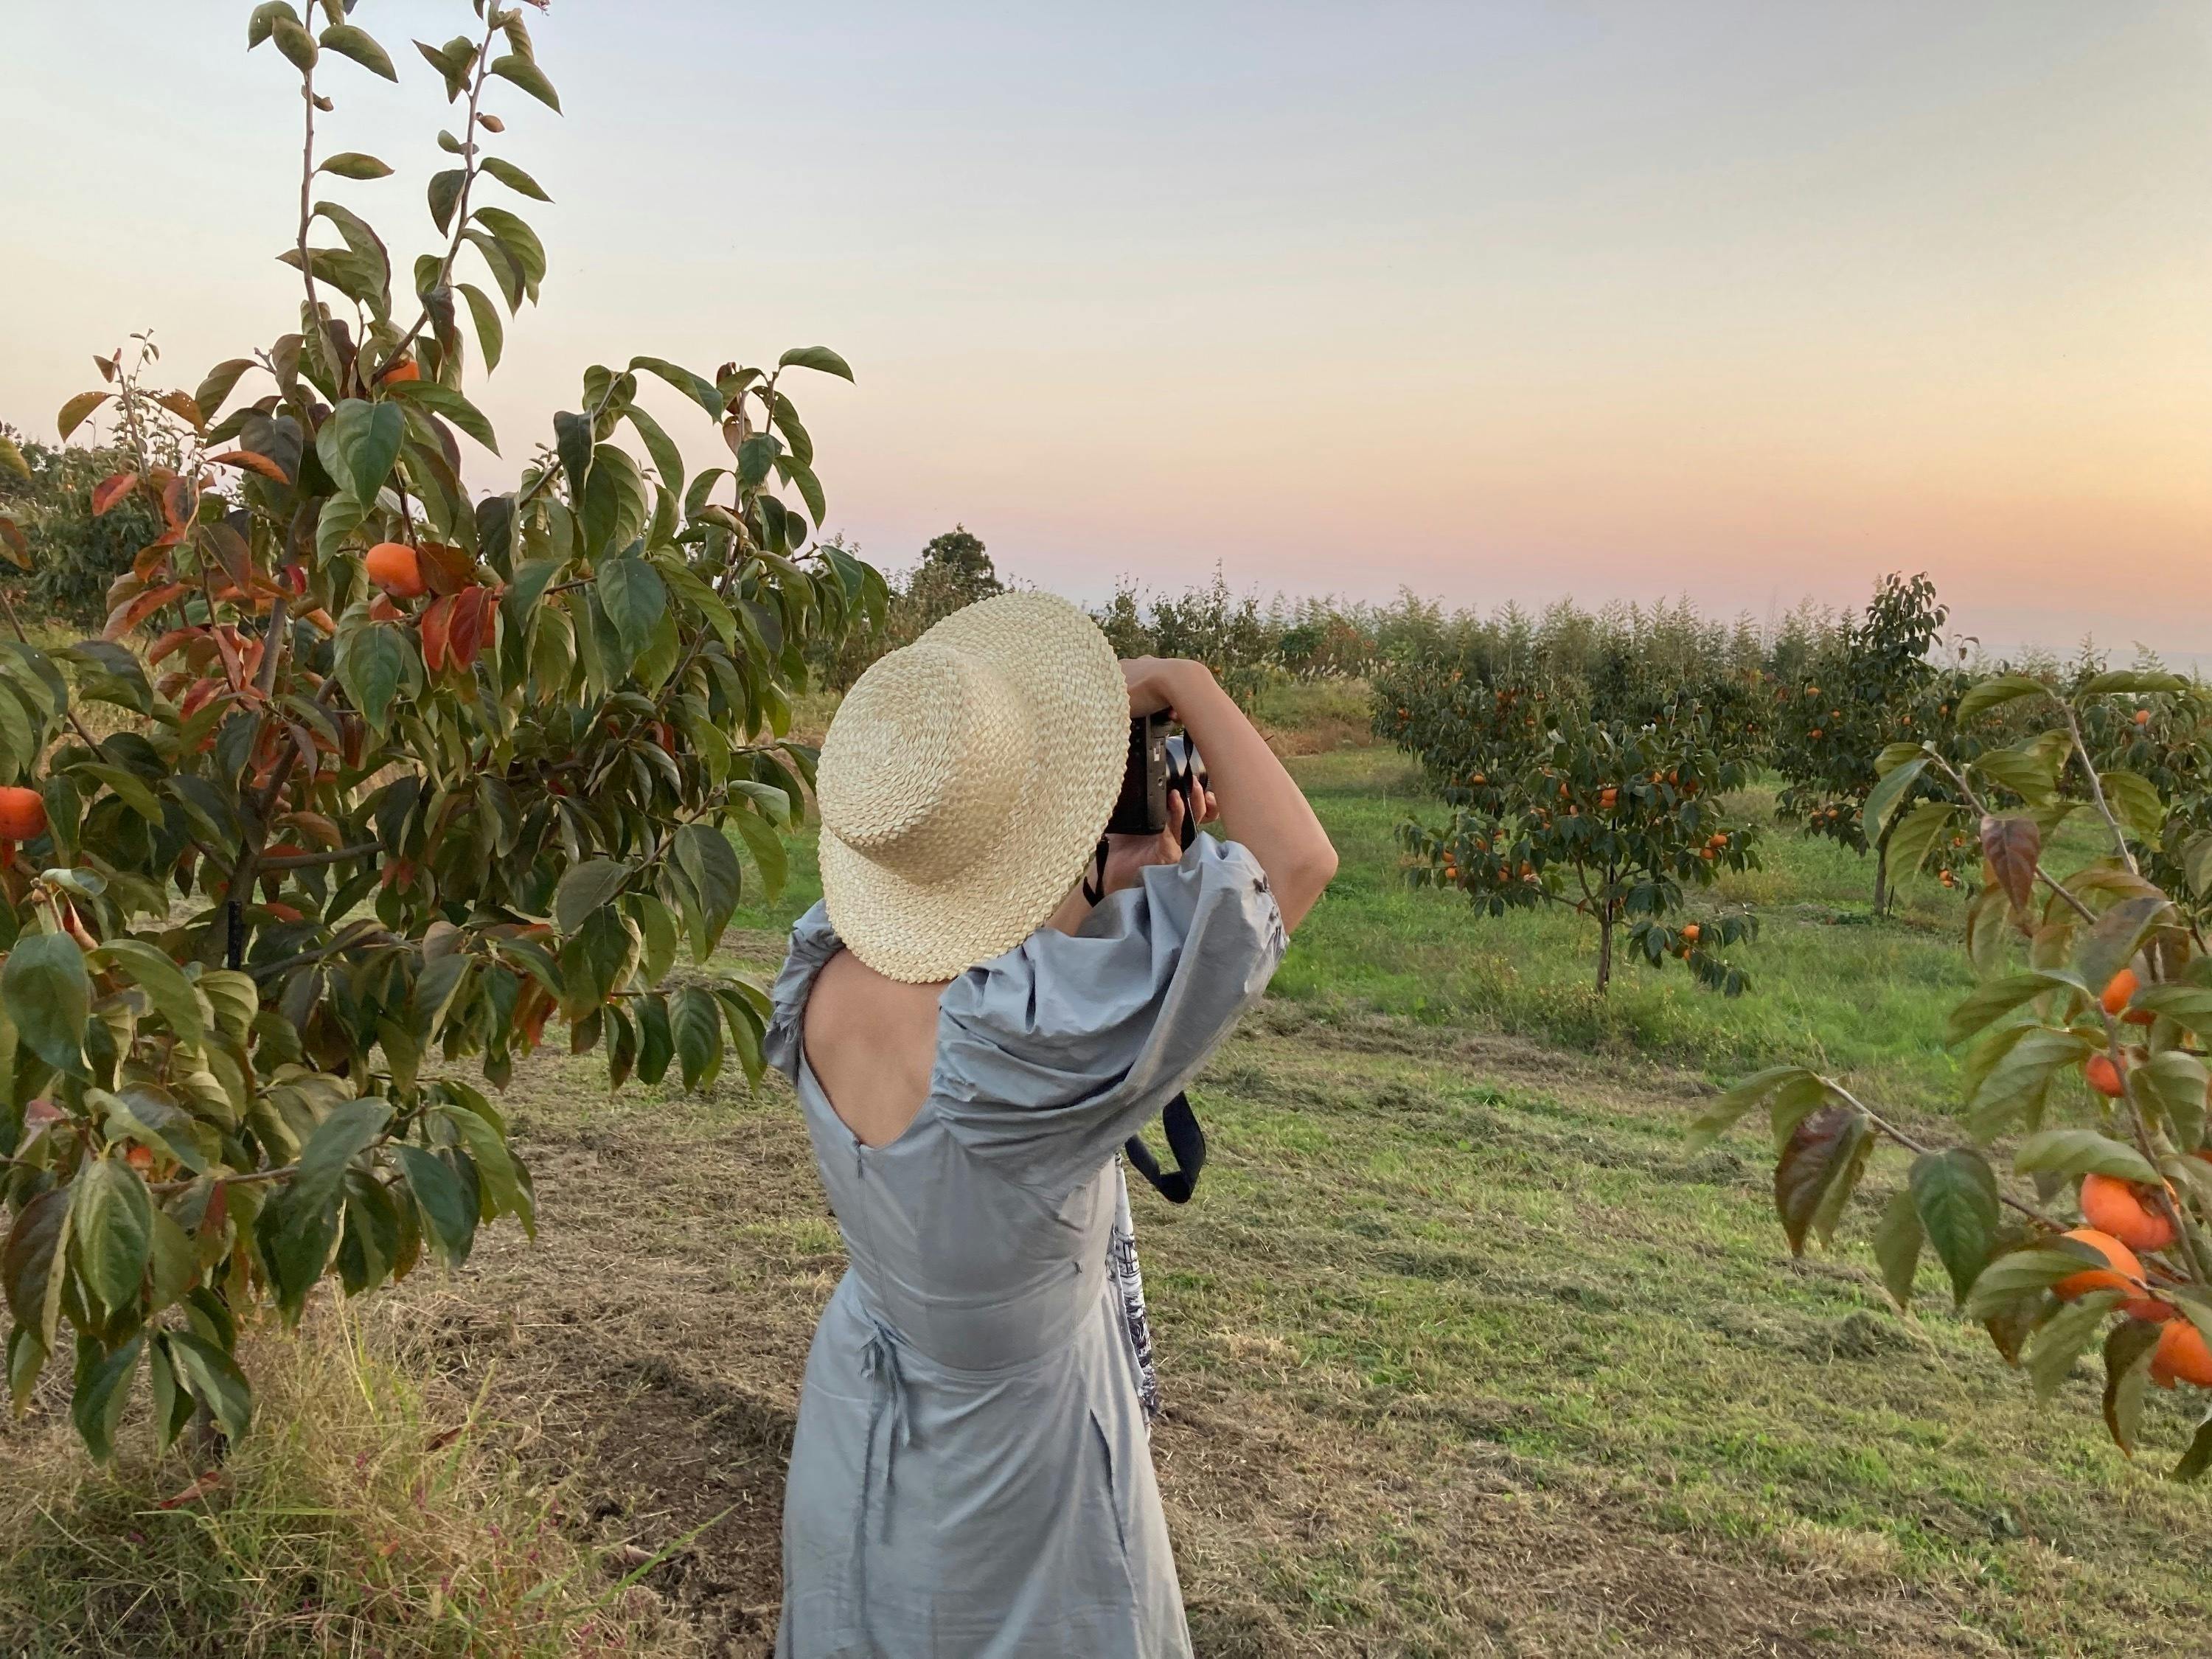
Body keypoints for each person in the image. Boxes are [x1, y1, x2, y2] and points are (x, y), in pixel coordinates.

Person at [765, 591, 1337, 1658]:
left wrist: (1101, 884)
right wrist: (1177, 682)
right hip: (1018, 1474)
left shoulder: (827, 963)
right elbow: (1296, 865)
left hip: (865, 1427)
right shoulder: (1021, 1055)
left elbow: (983, 962)